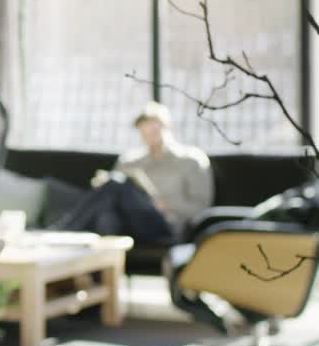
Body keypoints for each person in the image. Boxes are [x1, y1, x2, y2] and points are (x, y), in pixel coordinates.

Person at [55, 101, 213, 243]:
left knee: (115, 183)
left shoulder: (192, 160)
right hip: (129, 223)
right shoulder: (129, 161)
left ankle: (63, 231)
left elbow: (201, 206)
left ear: (168, 126)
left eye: (153, 127)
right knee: (106, 215)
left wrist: (166, 205)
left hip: (166, 224)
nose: (148, 133)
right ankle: (97, 263)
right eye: (144, 129)